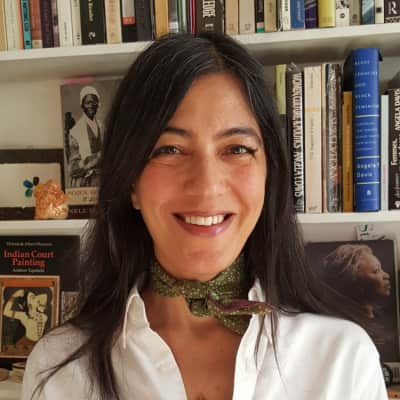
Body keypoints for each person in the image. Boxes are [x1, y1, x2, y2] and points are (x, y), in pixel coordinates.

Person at [22, 33, 387, 400]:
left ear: (268, 176)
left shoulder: (343, 361)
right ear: (130, 181)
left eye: (237, 149)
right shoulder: (59, 368)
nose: (207, 187)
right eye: (170, 149)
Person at [323, 243, 391, 319]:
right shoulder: (345, 321)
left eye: (381, 269)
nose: (387, 275)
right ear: (354, 281)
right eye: (376, 271)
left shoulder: (381, 316)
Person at [68, 86, 103, 188]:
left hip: (102, 181)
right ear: (82, 105)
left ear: (98, 104)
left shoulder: (102, 127)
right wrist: (96, 158)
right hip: (84, 183)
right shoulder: (76, 132)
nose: (91, 105)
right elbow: (73, 168)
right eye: (88, 102)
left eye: (94, 102)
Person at [3, 288, 49, 355]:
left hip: (38, 344)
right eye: (33, 297)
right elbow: (5, 312)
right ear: (27, 303)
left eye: (35, 297)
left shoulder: (44, 316)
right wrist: (13, 296)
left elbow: (44, 296)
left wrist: (38, 304)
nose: (36, 298)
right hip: (26, 344)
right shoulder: (23, 315)